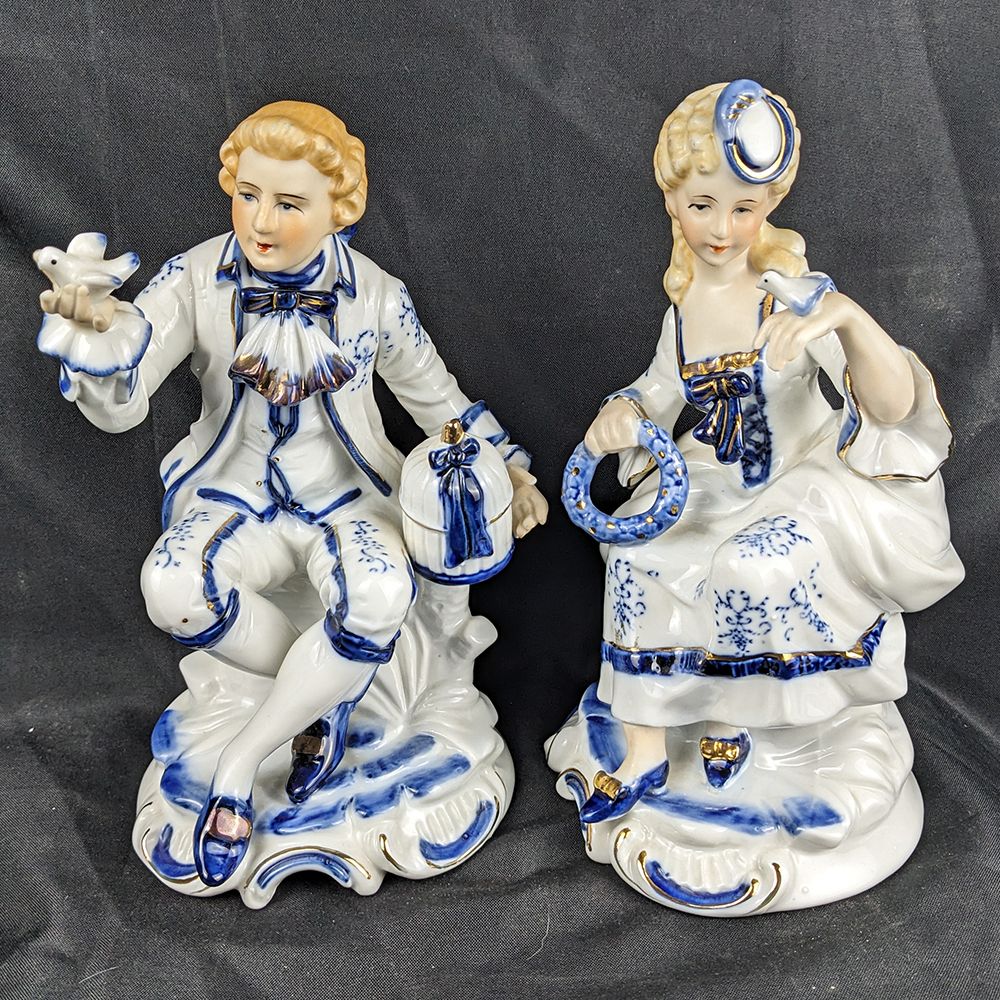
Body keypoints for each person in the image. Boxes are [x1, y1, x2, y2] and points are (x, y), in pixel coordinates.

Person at [38, 101, 547, 885]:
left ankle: (241, 766)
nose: (261, 221)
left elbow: (438, 401)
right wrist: (100, 342)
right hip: (233, 500)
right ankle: (326, 696)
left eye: (288, 203)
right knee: (171, 589)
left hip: (345, 501)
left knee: (379, 593)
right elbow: (126, 400)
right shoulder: (195, 278)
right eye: (247, 195)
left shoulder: (376, 296)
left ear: (339, 208)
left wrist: (508, 466)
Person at [571, 80, 963, 822]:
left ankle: (737, 716)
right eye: (702, 205)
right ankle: (646, 747)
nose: (721, 229)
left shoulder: (790, 294)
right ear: (671, 201)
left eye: (743, 209)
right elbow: (659, 388)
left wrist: (847, 320)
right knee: (636, 555)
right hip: (709, 480)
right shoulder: (684, 307)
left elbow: (890, 408)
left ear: (768, 206)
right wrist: (623, 411)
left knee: (750, 564)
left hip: (797, 482)